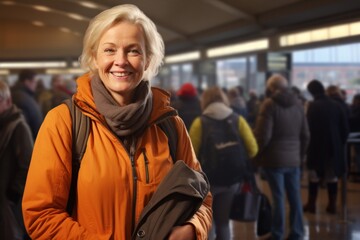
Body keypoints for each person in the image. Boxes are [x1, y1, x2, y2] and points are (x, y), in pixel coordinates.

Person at [22, 4, 212, 240]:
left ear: (148, 59)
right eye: (109, 50)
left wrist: (193, 229)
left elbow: (201, 196)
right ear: (94, 57)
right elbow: (41, 214)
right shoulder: (63, 122)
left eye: (133, 50)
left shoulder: (171, 125)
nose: (120, 61)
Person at [189, 86, 258, 240]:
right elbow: (253, 149)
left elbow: (190, 154)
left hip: (208, 181)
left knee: (208, 222)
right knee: (223, 222)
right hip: (232, 179)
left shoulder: (200, 123)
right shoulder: (238, 120)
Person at [254, 74, 310, 240]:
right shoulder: (299, 105)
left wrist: (257, 156)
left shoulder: (269, 105)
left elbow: (264, 136)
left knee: (278, 197)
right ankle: (297, 233)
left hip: (274, 160)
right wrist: (300, 156)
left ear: (271, 88)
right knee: (295, 197)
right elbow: (306, 134)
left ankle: (277, 233)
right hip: (294, 160)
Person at [304, 80, 349, 215]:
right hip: (334, 147)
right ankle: (332, 205)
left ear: (312, 92)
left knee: (313, 176)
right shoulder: (336, 105)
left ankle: (311, 204)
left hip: (316, 146)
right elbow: (344, 128)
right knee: (332, 176)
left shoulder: (312, 106)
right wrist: (339, 143)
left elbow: (307, 128)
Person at [0, 80, 33, 240]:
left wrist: (13, 195)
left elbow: (27, 166)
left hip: (9, 202)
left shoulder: (18, 126)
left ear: (8, 101)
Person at [11, 69, 43, 140]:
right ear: (27, 82)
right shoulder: (20, 98)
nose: (36, 85)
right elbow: (23, 127)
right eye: (34, 82)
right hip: (29, 142)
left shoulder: (24, 96)